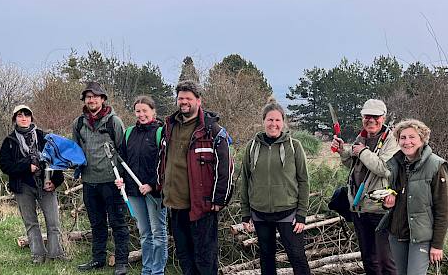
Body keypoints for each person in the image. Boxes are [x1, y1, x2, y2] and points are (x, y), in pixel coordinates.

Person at [157, 80, 233, 275]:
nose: (183, 102)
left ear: (199, 101)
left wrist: (219, 199)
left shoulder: (213, 132)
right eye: (180, 98)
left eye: (188, 98)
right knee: (185, 256)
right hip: (175, 204)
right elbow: (163, 159)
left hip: (202, 206)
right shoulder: (170, 127)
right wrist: (161, 186)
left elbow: (225, 167)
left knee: (205, 258)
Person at [240, 100, 311, 275]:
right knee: (266, 257)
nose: (273, 124)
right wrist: (245, 213)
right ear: (263, 121)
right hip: (260, 214)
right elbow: (245, 181)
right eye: (270, 120)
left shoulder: (294, 147)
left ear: (283, 122)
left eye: (277, 120)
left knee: (297, 257)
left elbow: (304, 181)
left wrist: (301, 214)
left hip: (289, 214)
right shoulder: (252, 147)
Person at [331, 99, 399, 275]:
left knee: (386, 262)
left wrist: (361, 151)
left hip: (380, 210)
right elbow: (353, 164)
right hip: (360, 207)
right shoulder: (361, 137)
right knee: (369, 260)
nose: (371, 120)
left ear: (383, 118)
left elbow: (385, 169)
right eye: (367, 116)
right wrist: (342, 151)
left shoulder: (392, 140)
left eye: (375, 116)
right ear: (362, 117)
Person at [378, 119, 448, 275]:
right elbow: (393, 194)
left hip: (421, 238)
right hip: (397, 234)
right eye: (403, 138)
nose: (407, 142)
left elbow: (443, 210)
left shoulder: (436, 165)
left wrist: (437, 245)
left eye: (412, 137)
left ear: (422, 139)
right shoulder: (395, 163)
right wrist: (387, 203)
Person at [72, 81, 129, 275]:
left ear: (103, 99)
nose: (92, 100)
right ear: (85, 100)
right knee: (96, 223)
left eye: (95, 96)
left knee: (118, 223)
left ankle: (121, 262)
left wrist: (122, 180)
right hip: (89, 182)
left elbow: (123, 151)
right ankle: (98, 259)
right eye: (88, 97)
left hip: (111, 182)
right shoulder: (78, 123)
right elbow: (76, 150)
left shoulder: (114, 122)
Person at [0, 104, 66, 264]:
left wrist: (55, 182)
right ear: (15, 119)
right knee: (31, 223)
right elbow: (5, 166)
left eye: (27, 115)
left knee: (54, 222)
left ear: (31, 118)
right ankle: (38, 255)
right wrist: (26, 167)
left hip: (45, 185)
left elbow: (56, 160)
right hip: (22, 186)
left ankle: (56, 254)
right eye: (20, 115)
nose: (24, 118)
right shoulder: (9, 141)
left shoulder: (43, 137)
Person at [114, 96, 168, 275]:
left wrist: (152, 185)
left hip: (155, 193)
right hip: (134, 192)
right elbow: (123, 160)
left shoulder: (161, 132)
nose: (141, 114)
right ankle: (147, 270)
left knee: (158, 234)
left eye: (145, 110)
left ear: (153, 111)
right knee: (145, 234)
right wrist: (121, 179)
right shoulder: (129, 133)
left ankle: (158, 271)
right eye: (138, 111)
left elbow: (166, 164)